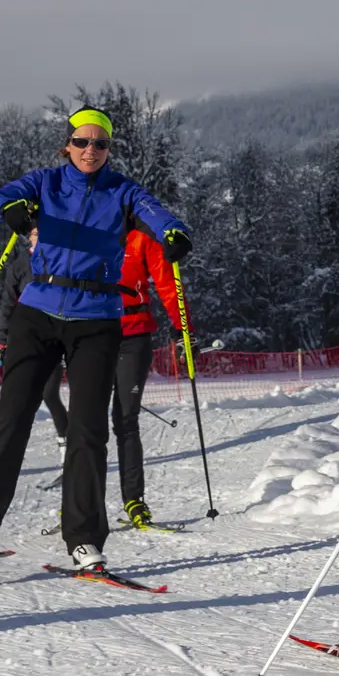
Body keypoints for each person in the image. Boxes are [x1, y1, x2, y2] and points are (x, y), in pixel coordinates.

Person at [0, 108, 191, 577]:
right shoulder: (44, 182)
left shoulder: (122, 191)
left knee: (88, 430)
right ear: (67, 144)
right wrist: (8, 208)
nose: (90, 151)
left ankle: (83, 541)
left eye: (99, 144)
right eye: (81, 142)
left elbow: (157, 214)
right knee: (10, 417)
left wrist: (173, 233)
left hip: (97, 319)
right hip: (37, 312)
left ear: (108, 150)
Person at [113, 225, 184, 529]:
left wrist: (183, 328)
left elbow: (167, 282)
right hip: (90, 336)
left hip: (134, 335)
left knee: (126, 419)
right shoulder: (85, 226)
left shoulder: (141, 237)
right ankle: (78, 503)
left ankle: (134, 500)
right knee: (84, 423)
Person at [0, 228, 69, 464]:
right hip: (25, 339)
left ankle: (68, 452)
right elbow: (7, 305)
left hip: (57, 338)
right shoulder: (20, 265)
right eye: (35, 233)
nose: (39, 237)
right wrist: (0, 342)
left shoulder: (62, 260)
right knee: (14, 398)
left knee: (49, 394)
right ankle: (0, 457)